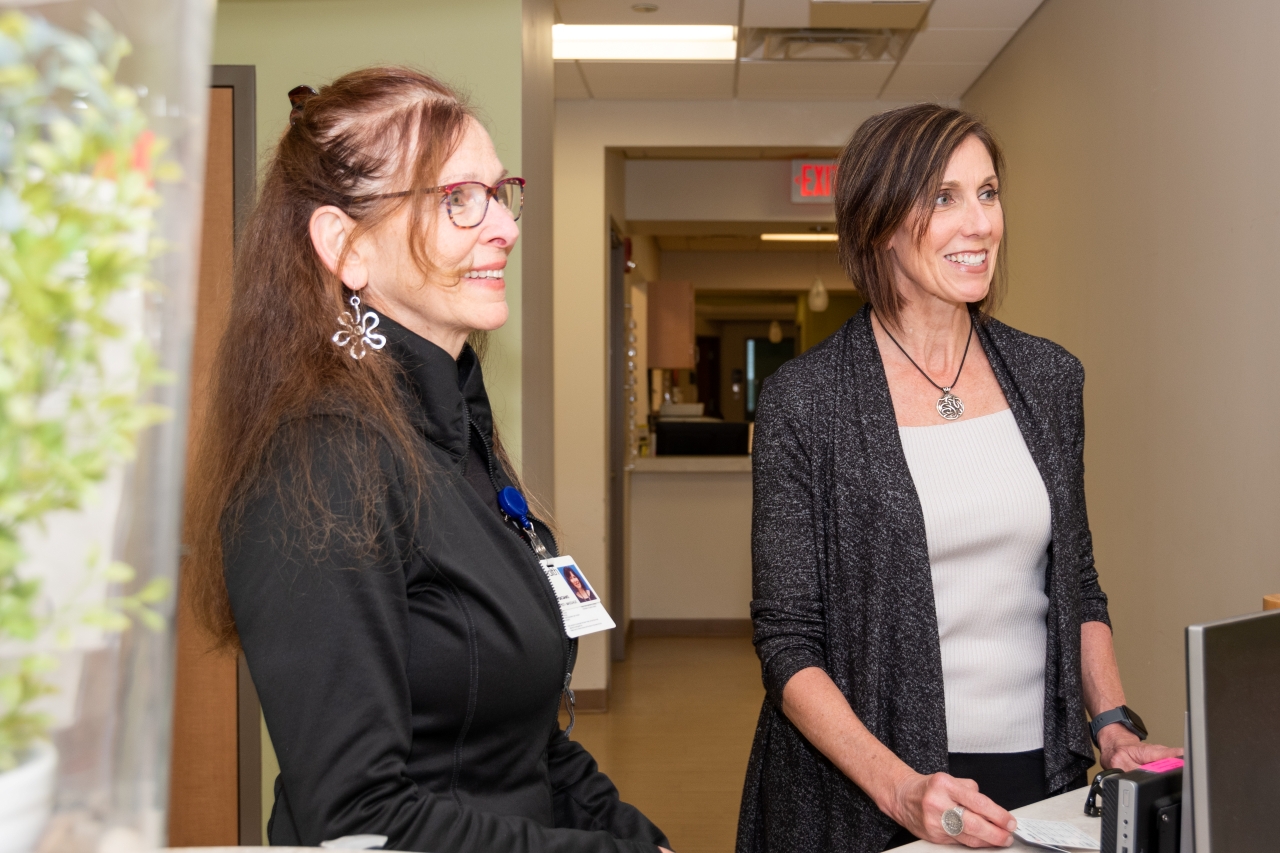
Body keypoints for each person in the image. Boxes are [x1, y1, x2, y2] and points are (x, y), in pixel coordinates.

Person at [185, 67, 670, 853]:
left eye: (497, 191)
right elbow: (361, 815)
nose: (506, 227)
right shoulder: (321, 462)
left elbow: (527, 744)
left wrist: (640, 837)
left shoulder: (456, 429)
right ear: (346, 247)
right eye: (456, 199)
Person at [736, 105, 1180, 853]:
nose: (979, 224)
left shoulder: (1047, 378)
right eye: (943, 197)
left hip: (1039, 773)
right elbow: (787, 642)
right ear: (877, 222)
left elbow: (1077, 579)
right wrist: (901, 787)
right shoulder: (804, 402)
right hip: (867, 788)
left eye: (988, 192)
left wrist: (1110, 721)